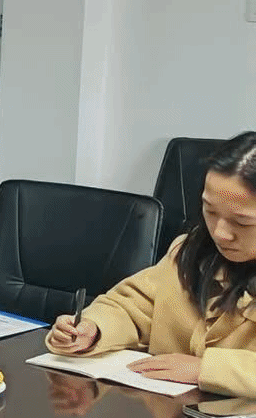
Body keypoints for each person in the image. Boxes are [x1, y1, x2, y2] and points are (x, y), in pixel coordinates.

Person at [46, 131, 256, 395]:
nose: (220, 233)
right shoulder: (189, 252)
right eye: (210, 211)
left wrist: (206, 369)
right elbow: (133, 306)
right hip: (168, 411)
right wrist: (94, 329)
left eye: (242, 222)